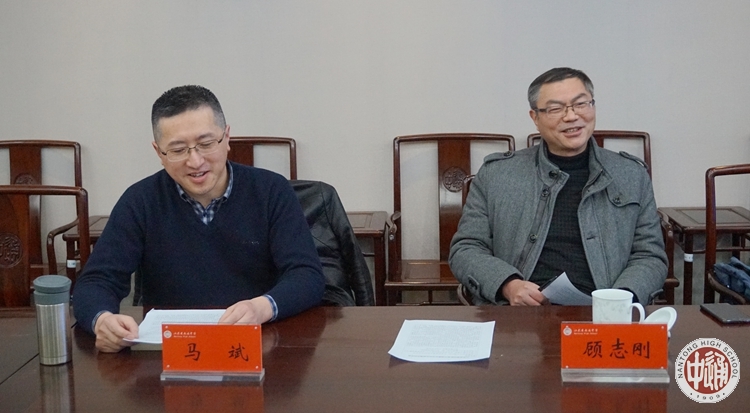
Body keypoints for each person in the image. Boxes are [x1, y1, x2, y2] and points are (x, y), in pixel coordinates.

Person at [73, 85, 325, 352]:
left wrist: (261, 307)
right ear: (159, 153)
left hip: (259, 346)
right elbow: (95, 281)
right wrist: (102, 319)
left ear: (227, 138)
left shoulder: (271, 191)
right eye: (178, 149)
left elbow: (307, 275)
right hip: (171, 352)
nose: (195, 161)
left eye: (206, 144)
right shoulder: (140, 201)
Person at [449, 67, 667, 306]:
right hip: (519, 312)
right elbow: (466, 248)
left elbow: (650, 255)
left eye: (581, 104)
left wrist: (621, 298)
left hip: (604, 313)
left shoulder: (631, 175)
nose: (571, 116)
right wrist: (508, 285)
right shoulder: (497, 175)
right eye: (555, 109)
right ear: (535, 118)